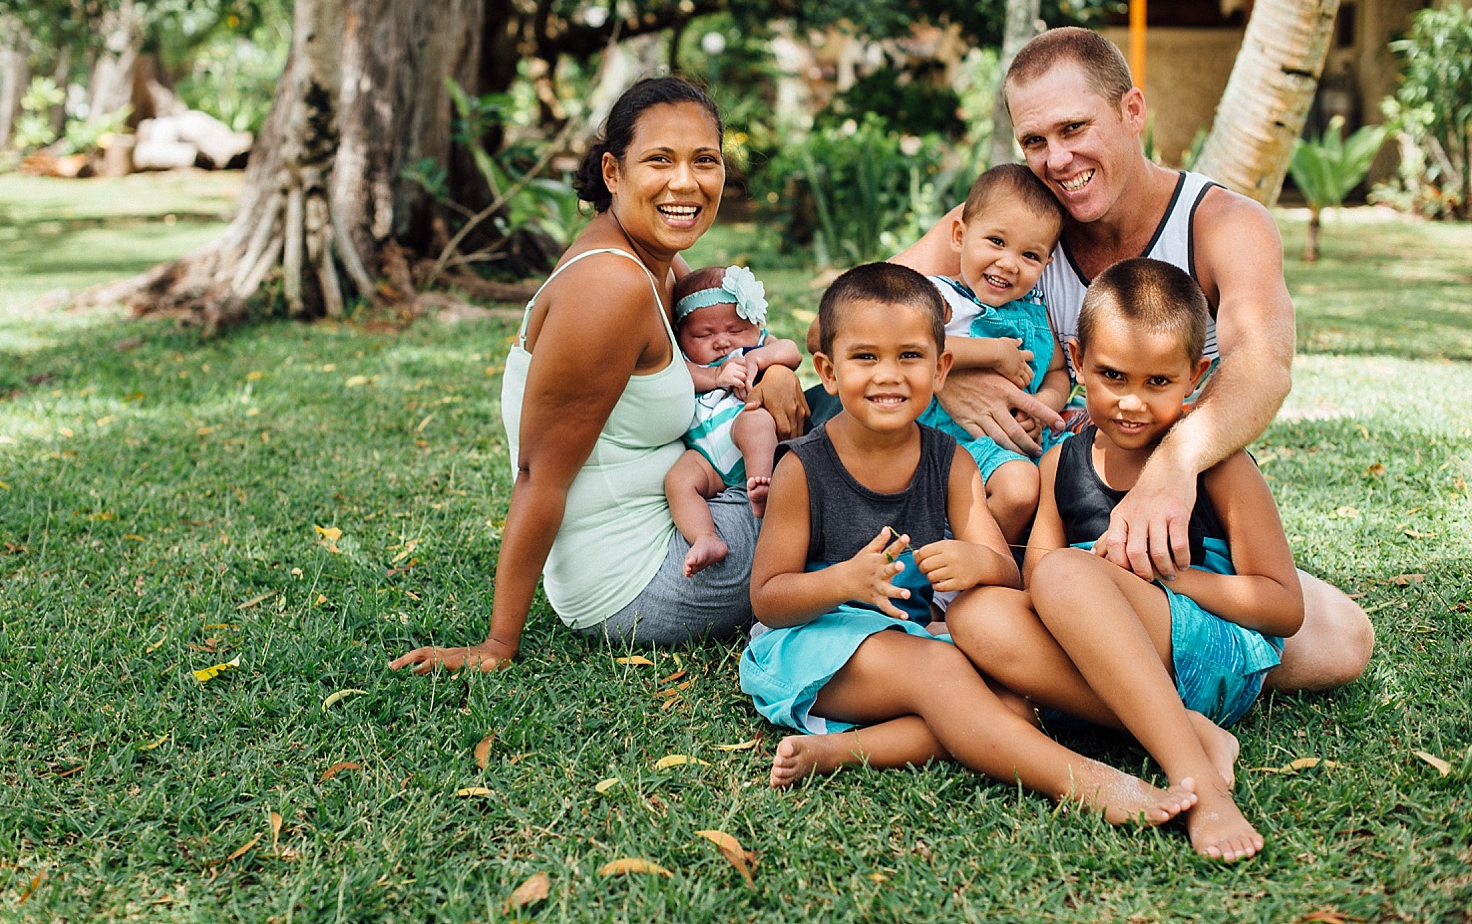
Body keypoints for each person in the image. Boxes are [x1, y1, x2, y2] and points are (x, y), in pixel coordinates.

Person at [894, 27, 1373, 693]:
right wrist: (948, 378)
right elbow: (859, 305)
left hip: (1163, 529)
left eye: (1074, 128)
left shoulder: (1221, 224)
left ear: (1133, 111)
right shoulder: (1016, 223)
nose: (1057, 160)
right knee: (999, 604)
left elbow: (1263, 364)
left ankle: (1060, 667)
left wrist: (1172, 467)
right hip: (1019, 516)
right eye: (1035, 141)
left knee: (1339, 641)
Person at [740, 262, 1201, 830]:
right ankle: (1085, 782)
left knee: (1009, 705)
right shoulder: (804, 469)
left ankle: (835, 753)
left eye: (910, 356)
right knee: (942, 675)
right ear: (828, 372)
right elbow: (768, 600)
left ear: (941, 369)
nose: (889, 375)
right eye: (866, 358)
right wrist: (845, 581)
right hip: (813, 642)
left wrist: (974, 559)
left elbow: (1006, 574)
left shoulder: (951, 460)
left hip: (914, 638)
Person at [389, 76, 807, 675]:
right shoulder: (609, 287)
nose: (685, 182)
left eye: (704, 161)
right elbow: (538, 475)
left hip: (690, 510)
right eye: (659, 160)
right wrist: (498, 644)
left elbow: (732, 354)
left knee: (867, 405)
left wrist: (775, 378)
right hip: (644, 578)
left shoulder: (657, 260)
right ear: (612, 173)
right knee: (872, 437)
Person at [950, 260, 1304, 862]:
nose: (1132, 402)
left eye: (1159, 383)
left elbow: (1283, 606)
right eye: (1112, 375)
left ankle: (1198, 779)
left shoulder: (1215, 464)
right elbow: (1037, 578)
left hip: (1207, 650)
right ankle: (1192, 732)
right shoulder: (1061, 463)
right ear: (1078, 359)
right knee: (973, 615)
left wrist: (1168, 577)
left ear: (1197, 375)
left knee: (1064, 570)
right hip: (1103, 648)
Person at [914, 163, 1069, 543]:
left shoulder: (1035, 311)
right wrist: (994, 353)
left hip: (1018, 440)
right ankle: (963, 571)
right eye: (996, 242)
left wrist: (1039, 408)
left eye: (1030, 255)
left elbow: (1058, 372)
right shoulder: (940, 297)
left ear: (1046, 264)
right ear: (959, 235)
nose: (1008, 263)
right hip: (951, 438)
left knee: (1072, 468)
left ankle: (1012, 558)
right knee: (1018, 488)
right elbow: (911, 348)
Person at [666, 264, 801, 576]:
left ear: (754, 325)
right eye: (704, 334)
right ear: (681, 337)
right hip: (706, 459)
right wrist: (714, 375)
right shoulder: (687, 363)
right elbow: (677, 375)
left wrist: (759, 357)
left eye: (735, 330)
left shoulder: (755, 347)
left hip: (744, 435)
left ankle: (762, 483)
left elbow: (791, 351)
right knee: (678, 480)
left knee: (756, 422)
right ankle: (705, 537)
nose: (722, 342)